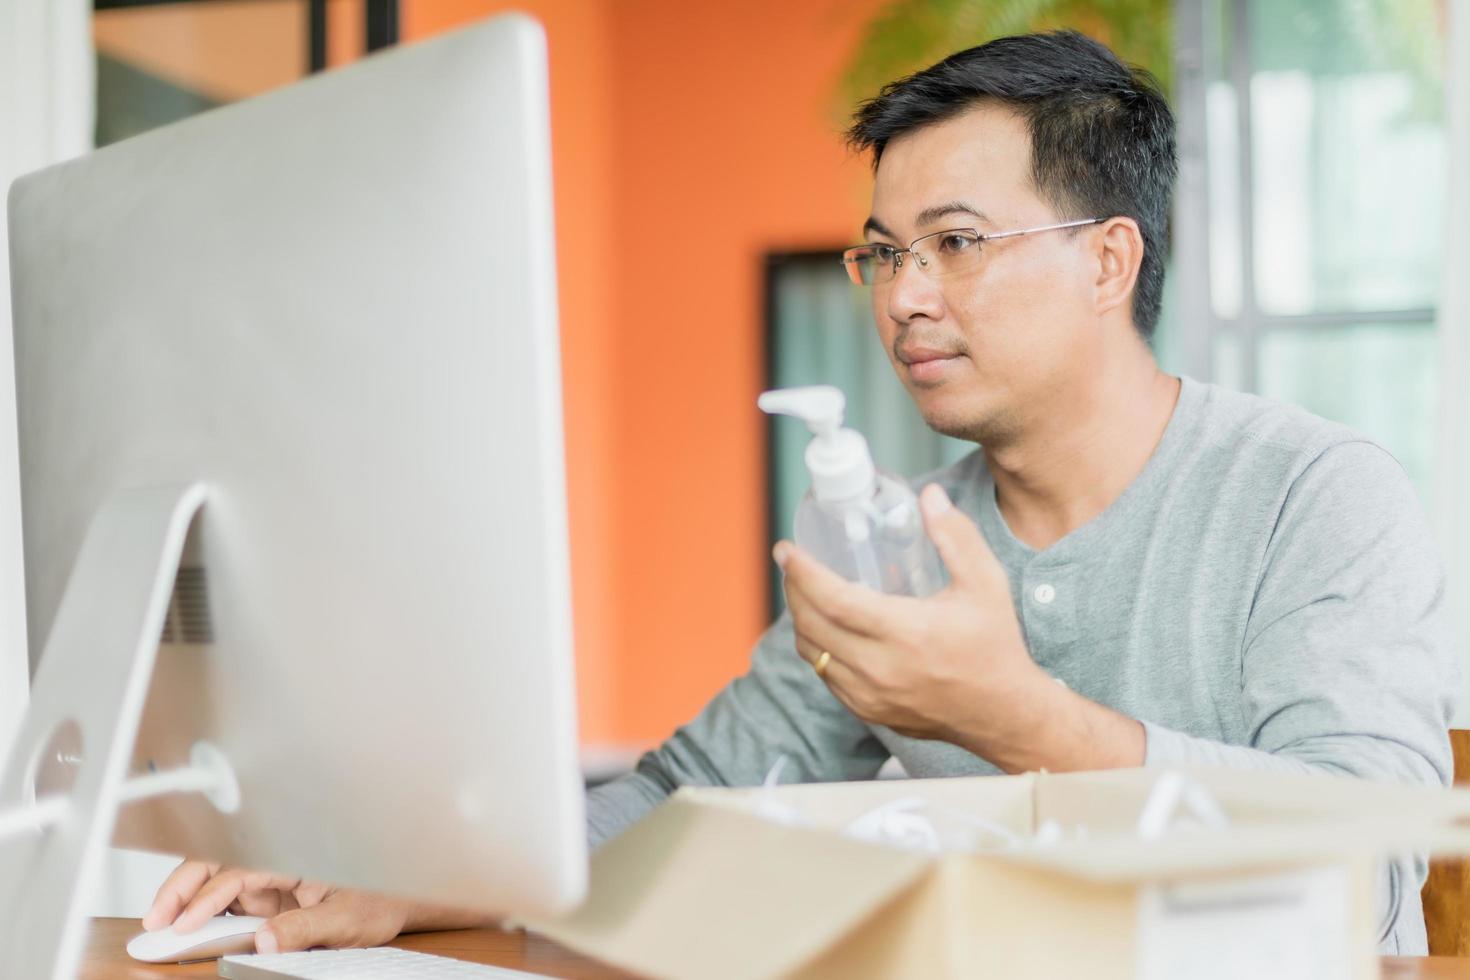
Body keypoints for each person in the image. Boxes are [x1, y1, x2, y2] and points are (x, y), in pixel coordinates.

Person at [143, 29, 1458, 955]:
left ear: (1109, 259)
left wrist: (1014, 717)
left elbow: (1373, 848)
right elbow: (675, 800)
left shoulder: (1313, 493)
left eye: (956, 244)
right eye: (882, 254)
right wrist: (409, 885)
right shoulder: (895, 542)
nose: (904, 296)